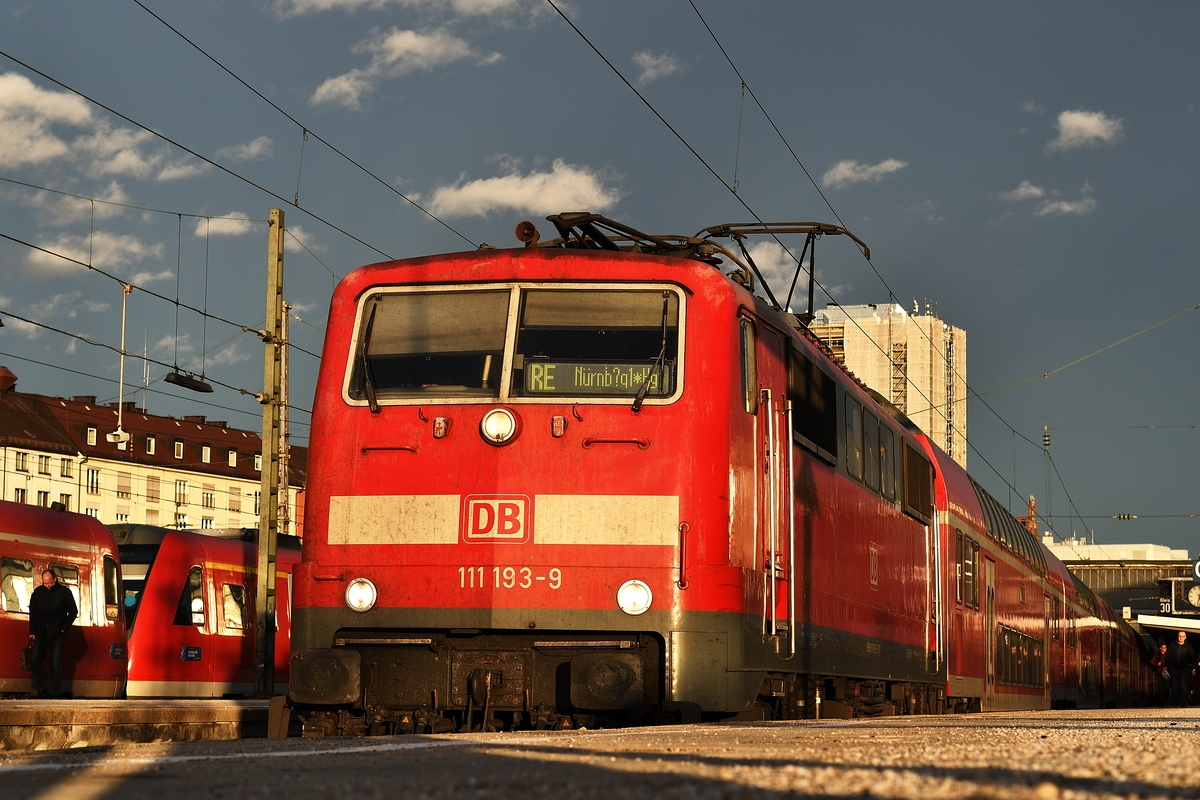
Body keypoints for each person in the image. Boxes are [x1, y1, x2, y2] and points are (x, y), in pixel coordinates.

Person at [28, 569, 77, 698]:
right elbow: (33, 612)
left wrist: (64, 628)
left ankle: (56, 691)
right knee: (35, 659)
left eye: (49, 582)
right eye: (45, 583)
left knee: (56, 663)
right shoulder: (38, 593)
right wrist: (32, 631)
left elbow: (73, 611)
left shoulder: (64, 593)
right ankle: (42, 687)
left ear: (55, 579)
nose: (47, 585)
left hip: (57, 633)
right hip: (41, 632)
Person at [1164, 630, 1197, 707]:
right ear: (1177, 636)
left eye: (1182, 636)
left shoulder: (1189, 646)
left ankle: (1183, 702)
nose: (1180, 638)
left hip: (1185, 669)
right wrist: (1165, 667)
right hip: (1175, 669)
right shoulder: (1172, 645)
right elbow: (1168, 656)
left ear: (1185, 637)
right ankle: (1176, 702)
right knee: (1175, 686)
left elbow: (1192, 658)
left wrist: (1193, 669)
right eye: (1179, 636)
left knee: (1183, 686)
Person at [1150, 640, 1170, 705]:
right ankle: (1162, 702)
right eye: (1163, 648)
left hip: (1167, 674)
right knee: (1161, 688)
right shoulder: (1157, 655)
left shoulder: (1168, 655)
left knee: (1167, 688)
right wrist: (1157, 664)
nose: (1164, 649)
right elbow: (1152, 662)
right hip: (1160, 673)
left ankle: (1166, 699)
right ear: (1160, 648)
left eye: (1165, 648)